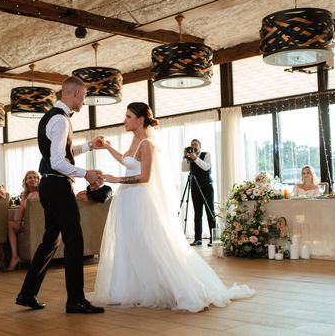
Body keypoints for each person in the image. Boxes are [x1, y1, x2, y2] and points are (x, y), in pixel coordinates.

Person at [95, 102, 254, 312]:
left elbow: (144, 177)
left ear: (140, 120)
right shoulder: (134, 140)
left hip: (141, 201)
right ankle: (132, 288)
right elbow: (126, 161)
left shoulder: (147, 144)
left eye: (128, 116)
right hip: (127, 201)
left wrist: (116, 179)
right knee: (130, 243)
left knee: (149, 243)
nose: (124, 120)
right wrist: (107, 147)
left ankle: (171, 287)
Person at [15, 76, 105, 314]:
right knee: (74, 240)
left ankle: (27, 294)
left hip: (48, 186)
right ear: (75, 93)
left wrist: (89, 146)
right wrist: (86, 173)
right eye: (84, 97)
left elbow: (64, 152)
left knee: (50, 241)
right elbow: (57, 162)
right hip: (57, 186)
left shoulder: (53, 117)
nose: (83, 103)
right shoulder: (61, 120)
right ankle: (75, 300)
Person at [181, 139, 215, 246]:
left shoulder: (206, 155)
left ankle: (213, 239)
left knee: (210, 212)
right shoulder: (190, 158)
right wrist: (185, 157)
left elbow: (206, 167)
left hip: (207, 187)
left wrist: (195, 158)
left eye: (195, 144)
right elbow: (184, 169)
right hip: (195, 187)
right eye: (191, 145)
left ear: (200, 146)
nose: (193, 146)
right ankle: (197, 239)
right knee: (197, 213)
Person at [7, 170, 40, 271]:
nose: (33, 179)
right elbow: (21, 210)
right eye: (30, 177)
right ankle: (15, 257)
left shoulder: (41, 191)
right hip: (28, 223)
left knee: (10, 224)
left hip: (38, 222)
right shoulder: (25, 195)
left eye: (35, 177)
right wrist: (18, 221)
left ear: (38, 180)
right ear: (25, 181)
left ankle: (15, 257)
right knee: (10, 224)